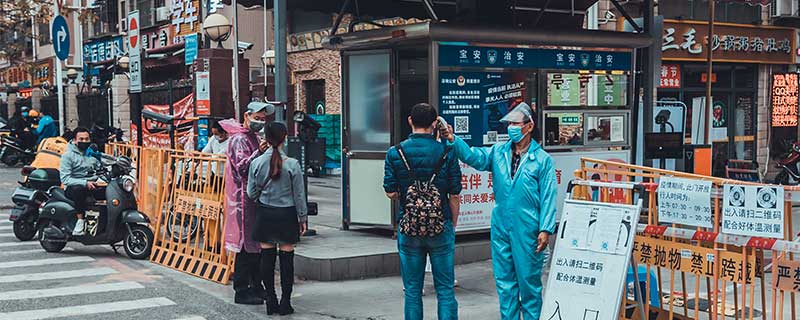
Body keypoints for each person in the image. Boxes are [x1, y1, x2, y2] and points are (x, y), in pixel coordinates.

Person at [441, 102, 557, 320]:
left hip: (528, 228)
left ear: (529, 126)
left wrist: (546, 228)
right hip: (501, 226)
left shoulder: (542, 160)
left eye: (515, 123)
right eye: (509, 123)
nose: (511, 127)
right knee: (505, 284)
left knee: (529, 285)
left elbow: (549, 196)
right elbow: (474, 156)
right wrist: (452, 139)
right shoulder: (498, 152)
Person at [384, 103, 462, 320]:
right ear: (435, 123)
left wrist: (411, 196)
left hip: (409, 227)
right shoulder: (447, 151)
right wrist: (451, 223)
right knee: (445, 289)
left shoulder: (395, 152)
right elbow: (454, 195)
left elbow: (390, 192)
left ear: (410, 121)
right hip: (441, 226)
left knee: (412, 291)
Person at [247, 122, 307, 316]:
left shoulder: (256, 162)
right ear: (284, 138)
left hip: (265, 213)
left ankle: (270, 300)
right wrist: (302, 217)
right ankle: (285, 302)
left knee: (267, 258)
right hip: (287, 214)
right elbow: (299, 195)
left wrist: (261, 198)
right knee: (287, 259)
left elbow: (250, 192)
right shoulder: (292, 164)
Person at [221, 101, 273, 305]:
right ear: (246, 115)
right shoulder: (239, 140)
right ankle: (242, 290)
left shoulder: (253, 137)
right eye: (257, 118)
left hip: (253, 199)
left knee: (255, 245)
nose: (260, 122)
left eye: (263, 119)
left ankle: (255, 286)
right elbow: (242, 169)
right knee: (245, 246)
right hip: (242, 200)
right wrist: (258, 153)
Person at [60, 127, 103, 236]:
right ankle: (80, 221)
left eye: (87, 139)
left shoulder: (91, 153)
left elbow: (100, 166)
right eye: (81, 139)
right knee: (79, 190)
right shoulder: (68, 156)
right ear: (74, 140)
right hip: (73, 187)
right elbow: (65, 179)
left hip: (92, 184)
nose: (84, 141)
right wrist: (84, 183)